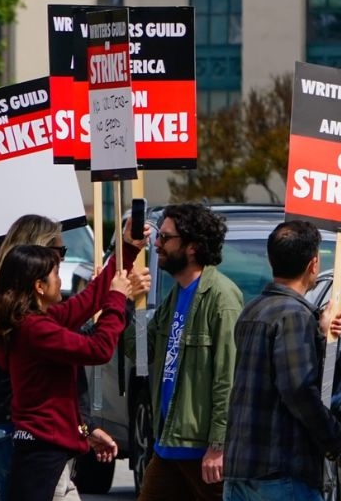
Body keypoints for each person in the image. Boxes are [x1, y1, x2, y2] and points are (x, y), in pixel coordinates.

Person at [0, 242, 148, 501]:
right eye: (56, 274)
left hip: (51, 455)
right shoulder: (34, 330)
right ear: (39, 286)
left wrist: (127, 249)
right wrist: (118, 299)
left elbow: (89, 300)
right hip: (44, 458)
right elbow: (99, 350)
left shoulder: (33, 322)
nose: (61, 281)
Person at [223, 220, 341, 500]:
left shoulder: (252, 309)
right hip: (280, 470)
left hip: (242, 466)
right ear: (313, 264)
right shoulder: (294, 314)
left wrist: (321, 335)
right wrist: (335, 438)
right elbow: (299, 388)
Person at [140, 204, 243, 501]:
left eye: (166, 237)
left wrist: (218, 445)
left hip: (202, 451)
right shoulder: (174, 295)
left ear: (192, 247)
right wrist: (126, 300)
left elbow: (228, 378)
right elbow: (139, 351)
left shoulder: (222, 298)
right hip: (169, 445)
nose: (157, 243)